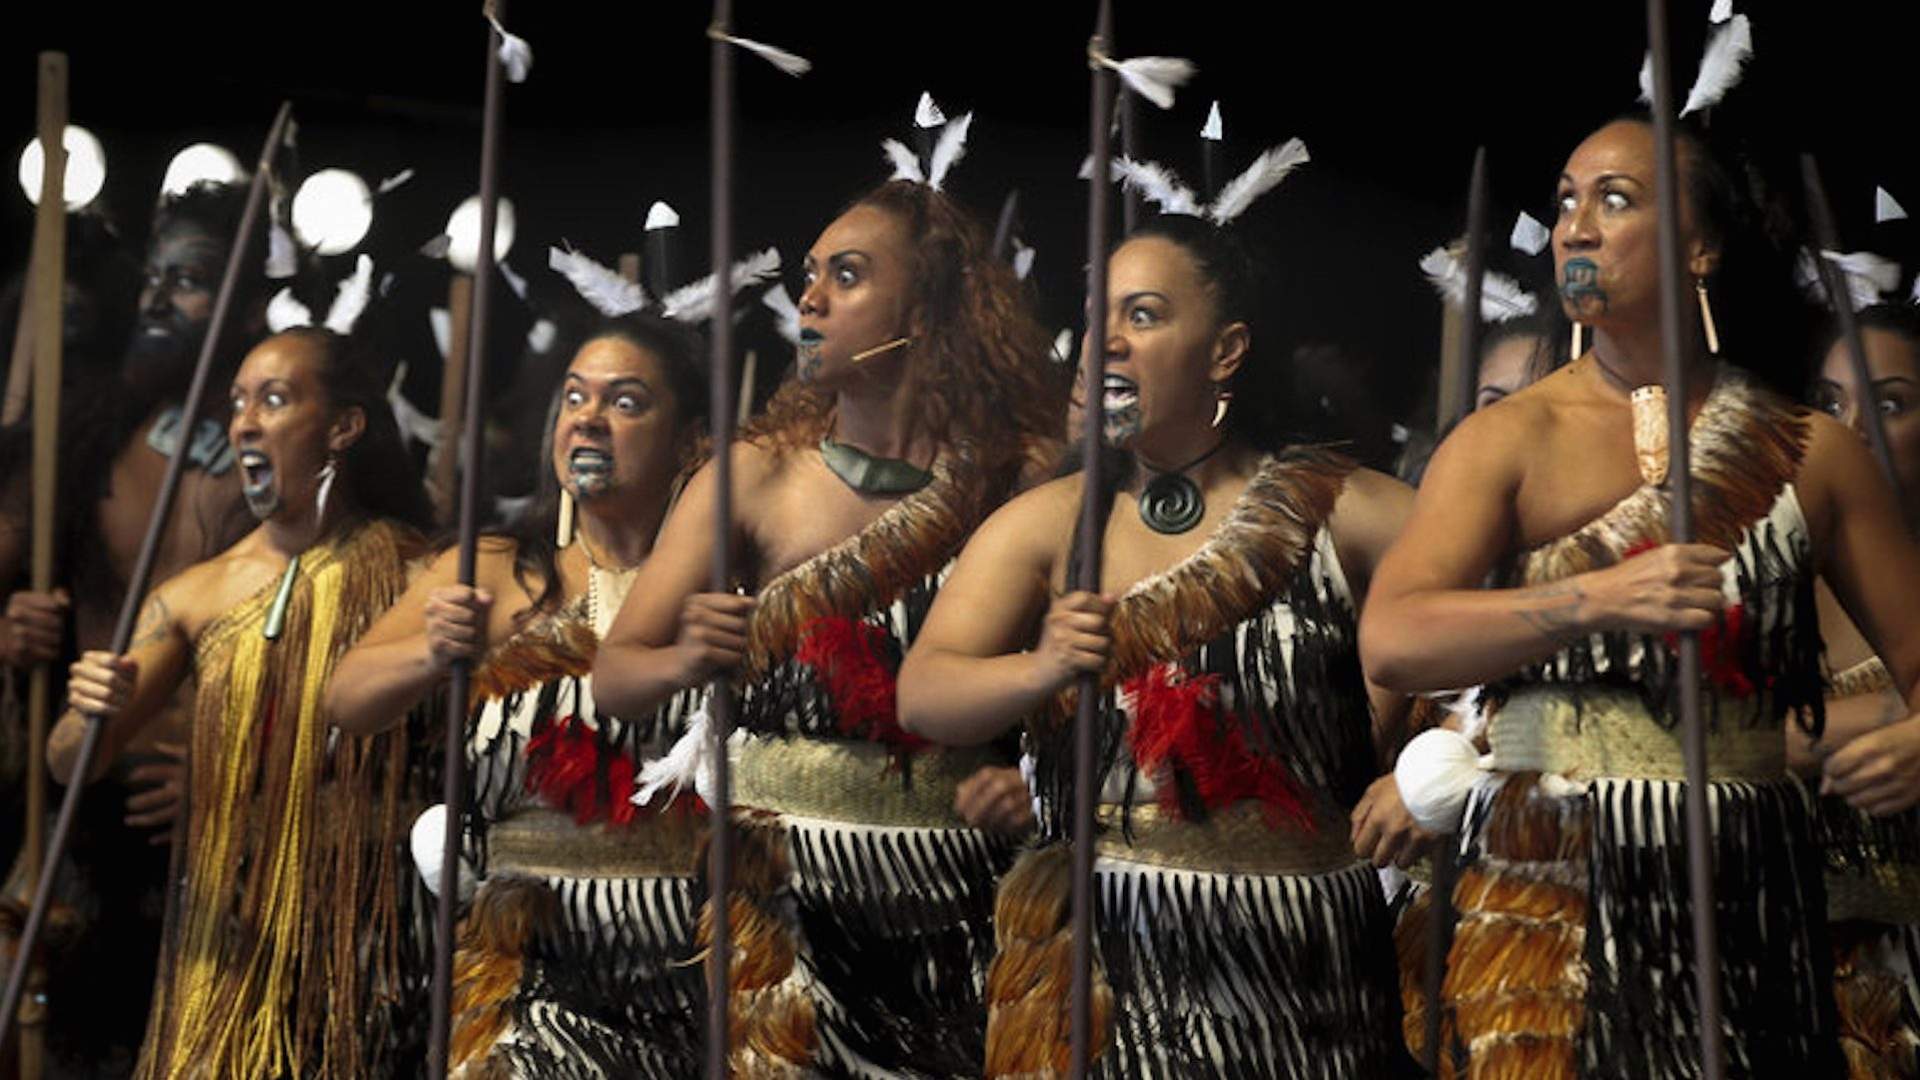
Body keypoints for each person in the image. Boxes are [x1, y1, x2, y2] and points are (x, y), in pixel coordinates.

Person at [1359, 116, 1920, 1076]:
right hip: (1547, 885)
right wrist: (1598, 599)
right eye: (1567, 200)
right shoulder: (1508, 441)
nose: (1576, 227)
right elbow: (1395, 643)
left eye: (1615, 201)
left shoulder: (1809, 452)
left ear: (1701, 246)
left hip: (1743, 888)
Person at [898, 213, 1420, 1077]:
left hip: (1304, 970)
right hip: (1104, 966)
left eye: (1142, 316)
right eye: (1099, 315)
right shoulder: (1048, 525)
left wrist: (1429, 762)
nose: (1106, 341)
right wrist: (1043, 667)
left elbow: (1494, 630)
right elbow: (925, 697)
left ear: (1225, 351)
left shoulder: (1342, 510)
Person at [592, 177, 1064, 1076]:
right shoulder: (755, 475)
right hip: (777, 913)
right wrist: (689, 654)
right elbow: (617, 674)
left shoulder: (1020, 477)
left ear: (926, 311)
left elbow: (1071, 680)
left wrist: (1030, 781)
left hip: (958, 900)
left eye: (845, 276)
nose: (808, 297)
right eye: (809, 275)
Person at [327, 312, 710, 1076]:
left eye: (626, 402)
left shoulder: (729, 585)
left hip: (690, 957)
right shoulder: (499, 570)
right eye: (574, 398)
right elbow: (347, 699)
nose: (589, 419)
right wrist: (433, 652)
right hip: (528, 966)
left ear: (692, 439)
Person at [53, 327, 436, 1079]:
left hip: (372, 940)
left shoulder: (418, 573)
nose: (244, 422)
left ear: (344, 426)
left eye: (275, 399)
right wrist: (86, 708)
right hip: (228, 941)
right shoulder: (191, 595)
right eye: (238, 403)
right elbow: (71, 763)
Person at [1800, 303, 1920, 1074]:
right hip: (1786, 975)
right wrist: (1888, 712)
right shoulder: (1764, 571)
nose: (1850, 429)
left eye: (1889, 403)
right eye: (1830, 402)